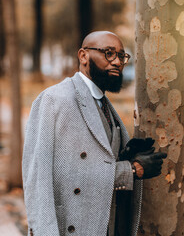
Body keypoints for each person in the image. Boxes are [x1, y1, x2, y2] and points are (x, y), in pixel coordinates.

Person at [22, 31, 167, 236]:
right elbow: (41, 180)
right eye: (108, 53)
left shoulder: (104, 104)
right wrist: (131, 170)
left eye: (121, 56)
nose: (117, 61)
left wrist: (125, 154)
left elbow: (96, 161)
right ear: (83, 56)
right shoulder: (54, 100)